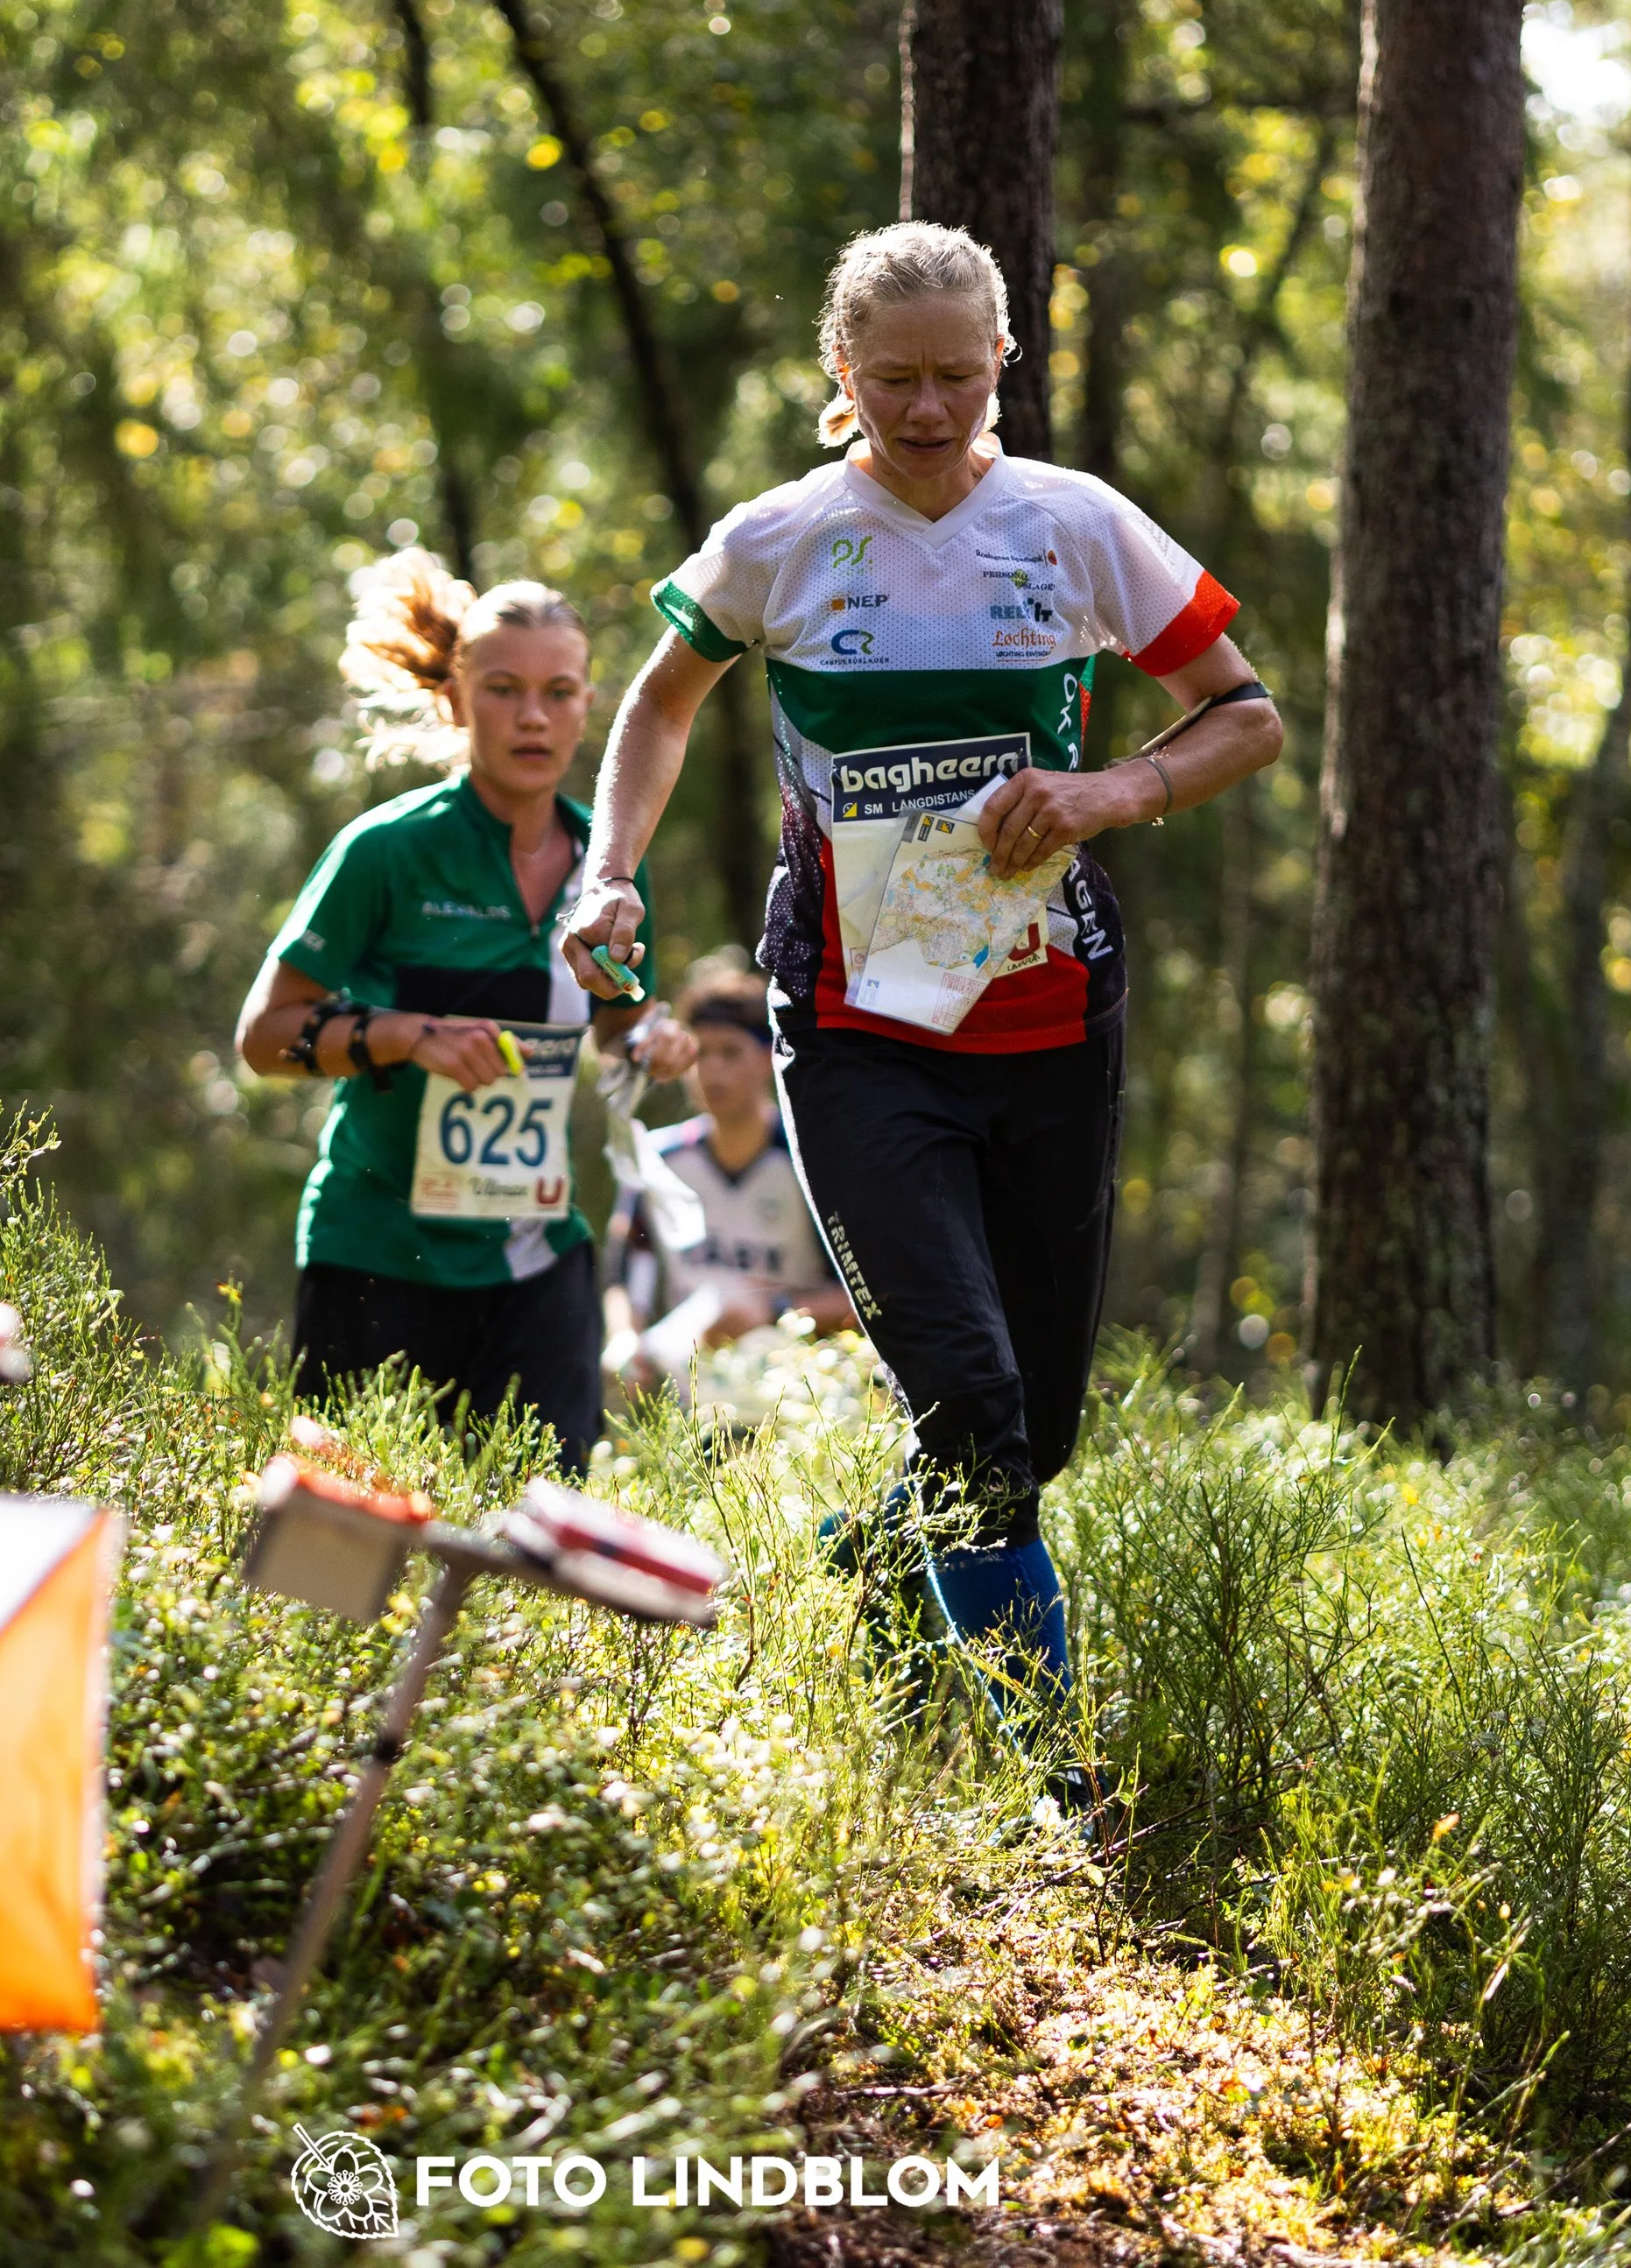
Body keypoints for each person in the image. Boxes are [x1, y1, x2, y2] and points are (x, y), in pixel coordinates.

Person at [561, 222, 1282, 1702]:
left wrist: (1106, 792)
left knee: (1033, 1435)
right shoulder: (780, 541)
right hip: (854, 1025)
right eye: (895, 378)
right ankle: (1053, 1779)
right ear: (842, 370)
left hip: (1049, 1016)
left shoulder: (1076, 526)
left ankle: (880, 1559)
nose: (930, 407)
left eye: (960, 373)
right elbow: (657, 703)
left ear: (1005, 362)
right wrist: (607, 874)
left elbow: (1246, 714)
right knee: (971, 1401)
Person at [237, 553, 695, 1473]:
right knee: (347, 1549)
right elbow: (263, 1035)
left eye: (560, 691)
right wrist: (410, 1036)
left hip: (534, 1256)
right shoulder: (385, 852)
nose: (533, 715)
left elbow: (614, 1021)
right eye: (504, 689)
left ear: (586, 705)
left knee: (541, 1537)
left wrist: (653, 1035)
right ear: (454, 698)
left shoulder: (608, 864)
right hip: (377, 1251)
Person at [604, 963, 856, 1394]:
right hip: (690, 1392)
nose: (712, 1070)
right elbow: (627, 1276)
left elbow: (866, 1297)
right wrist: (626, 1341)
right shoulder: (659, 1161)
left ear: (768, 1058)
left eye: (730, 1052)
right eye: (700, 1053)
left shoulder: (811, 1161)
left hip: (803, 1394)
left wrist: (773, 1310)